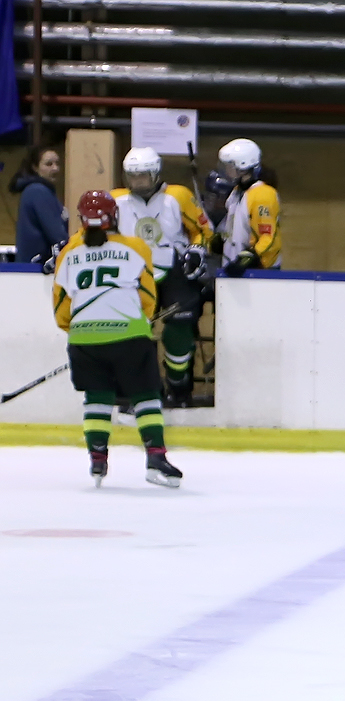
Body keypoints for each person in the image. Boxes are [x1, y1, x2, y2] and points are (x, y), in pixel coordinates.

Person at [52, 190, 183, 488]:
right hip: (129, 336)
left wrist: (79, 330)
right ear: (115, 217)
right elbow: (148, 297)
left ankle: (97, 460)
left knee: (97, 396)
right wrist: (138, 322)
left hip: (83, 339)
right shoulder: (135, 247)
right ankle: (156, 458)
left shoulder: (69, 251)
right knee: (146, 394)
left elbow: (60, 305)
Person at [112, 147, 214, 407]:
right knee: (132, 336)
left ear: (155, 174)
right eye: (132, 176)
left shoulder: (178, 196)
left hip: (175, 273)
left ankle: (179, 386)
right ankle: (143, 390)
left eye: (143, 176)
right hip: (132, 275)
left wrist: (198, 250)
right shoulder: (116, 199)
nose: (137, 182)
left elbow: (203, 230)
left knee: (178, 332)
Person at [216, 138, 281, 276]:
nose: (226, 171)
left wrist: (251, 257)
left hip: (258, 272)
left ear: (243, 168)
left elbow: (269, 237)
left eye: (230, 166)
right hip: (233, 268)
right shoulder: (237, 192)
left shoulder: (263, 195)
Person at [9, 145, 68, 268]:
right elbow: (58, 236)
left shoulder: (40, 191)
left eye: (57, 163)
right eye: (49, 164)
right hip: (37, 269)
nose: (55, 168)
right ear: (35, 168)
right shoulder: (38, 192)